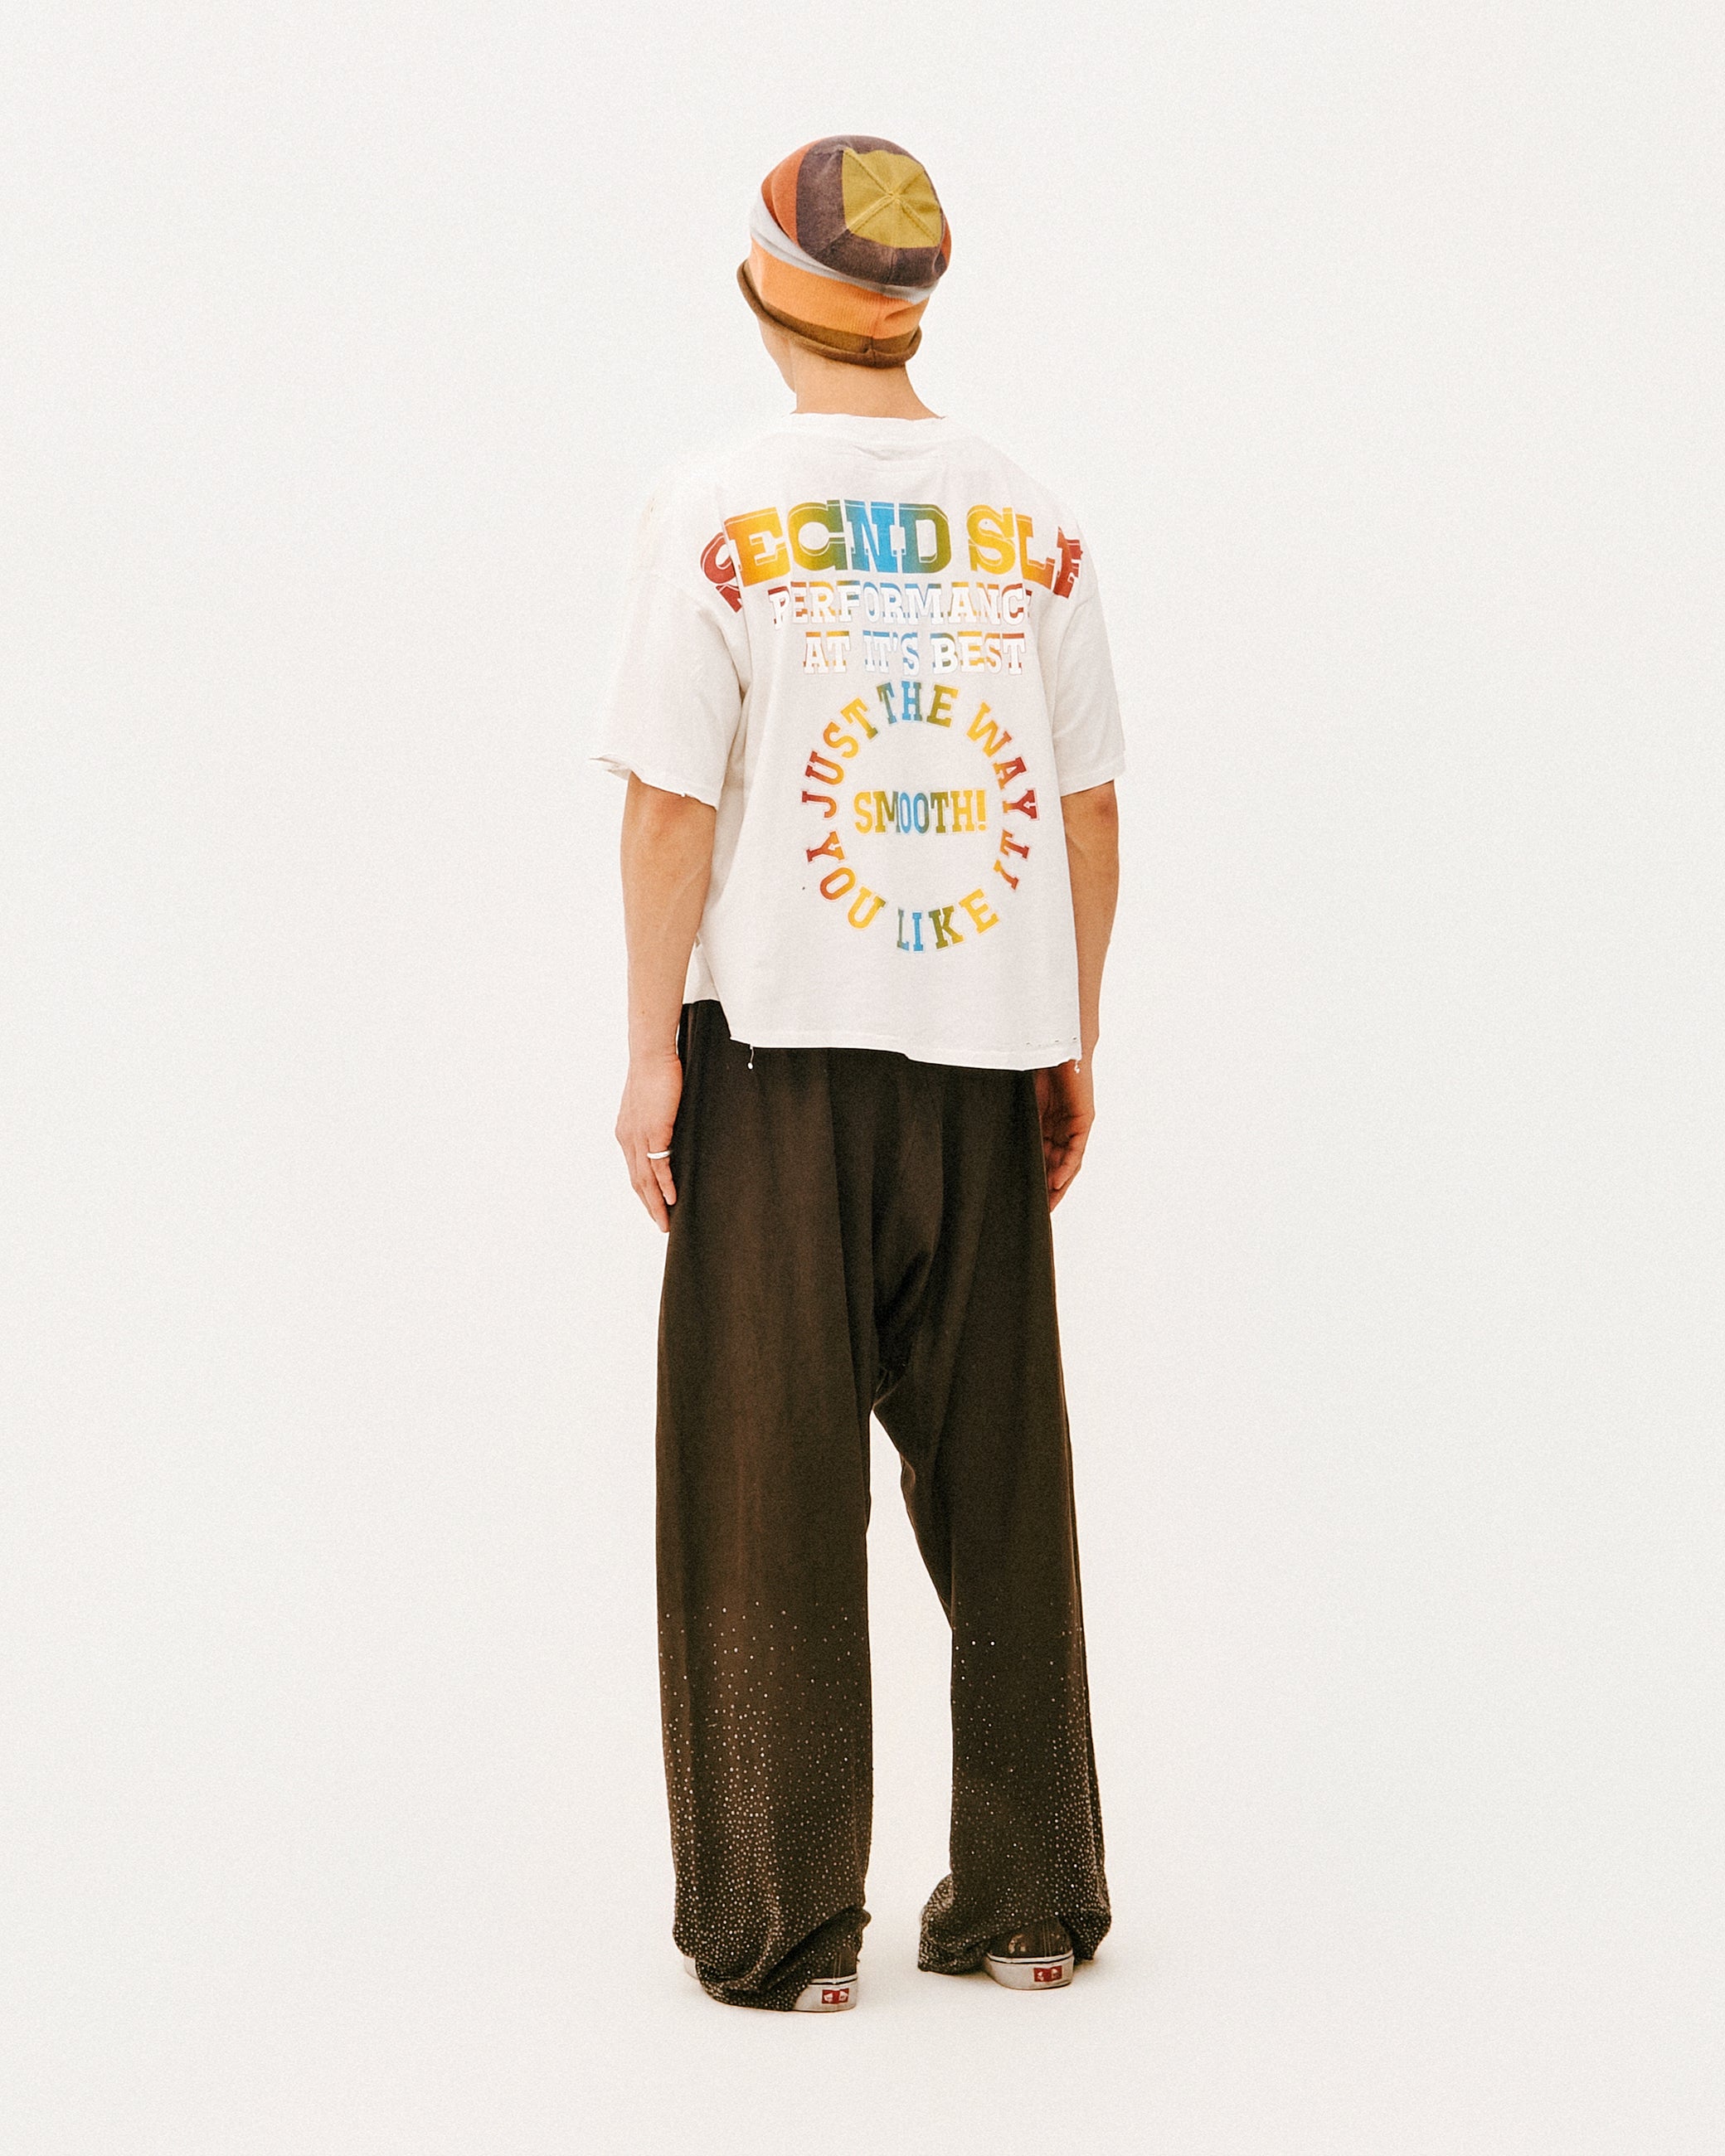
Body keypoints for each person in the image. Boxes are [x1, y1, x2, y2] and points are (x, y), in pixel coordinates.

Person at [595, 134, 1123, 2013]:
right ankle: (1033, 1903)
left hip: (777, 1053)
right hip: (983, 1052)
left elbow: (672, 808)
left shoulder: (718, 509)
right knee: (1003, 1486)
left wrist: (648, 1049)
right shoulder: (1029, 516)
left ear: (763, 295)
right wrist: (1066, 1038)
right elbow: (1086, 812)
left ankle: (786, 1930)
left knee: (766, 1489)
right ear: (916, 308)